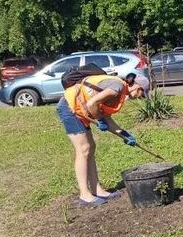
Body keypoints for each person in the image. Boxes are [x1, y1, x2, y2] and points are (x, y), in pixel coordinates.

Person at [57, 73, 149, 207]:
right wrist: (99, 119)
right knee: (83, 149)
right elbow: (92, 103)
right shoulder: (117, 87)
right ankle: (84, 195)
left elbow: (105, 117)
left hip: (79, 109)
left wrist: (124, 134)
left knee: (90, 147)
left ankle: (97, 189)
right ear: (137, 86)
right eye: (142, 93)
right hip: (69, 108)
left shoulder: (119, 90)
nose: (141, 97)